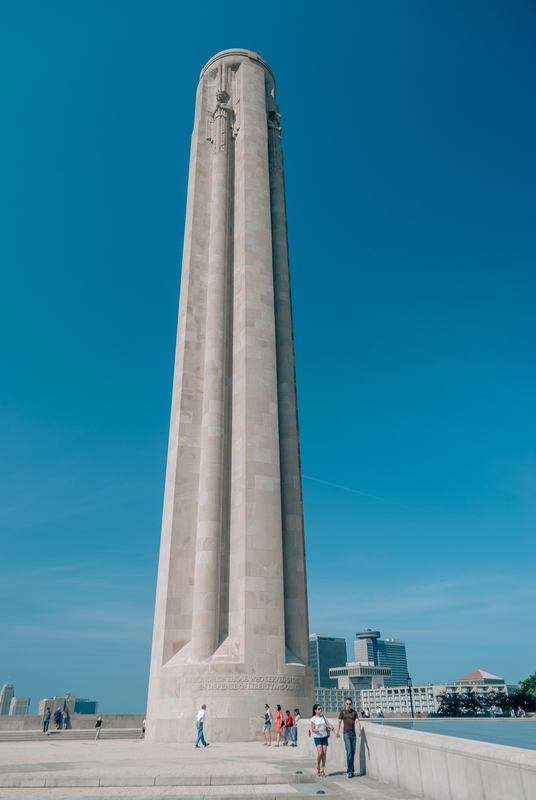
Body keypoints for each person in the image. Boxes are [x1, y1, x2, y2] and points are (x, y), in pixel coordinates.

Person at [335, 697, 361, 779]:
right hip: (346, 734)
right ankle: (349, 771)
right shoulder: (342, 712)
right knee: (349, 751)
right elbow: (339, 721)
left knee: (353, 753)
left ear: (351, 704)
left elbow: (357, 721)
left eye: (350, 704)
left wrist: (359, 730)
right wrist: (337, 731)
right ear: (345, 704)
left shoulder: (354, 712)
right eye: (347, 704)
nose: (348, 705)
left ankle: (352, 770)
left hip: (353, 734)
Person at [310, 703, 334, 778]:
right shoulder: (313, 719)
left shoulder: (323, 717)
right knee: (320, 753)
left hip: (324, 736)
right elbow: (313, 729)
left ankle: (323, 770)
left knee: (324, 753)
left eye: (320, 709)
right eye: (319, 709)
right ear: (315, 710)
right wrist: (320, 730)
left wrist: (334, 730)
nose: (320, 710)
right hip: (317, 737)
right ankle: (318, 767)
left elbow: (328, 724)